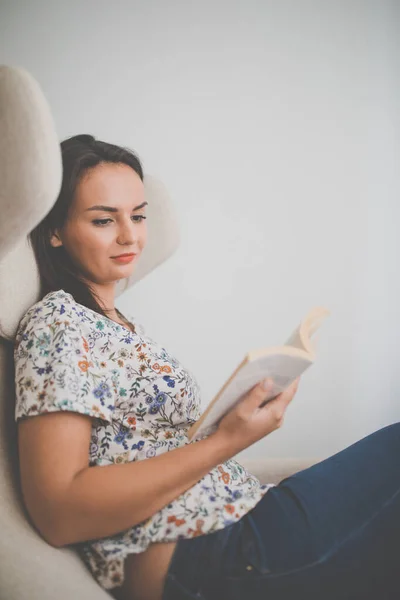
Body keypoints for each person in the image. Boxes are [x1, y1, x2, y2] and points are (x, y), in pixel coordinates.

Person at [14, 135, 399, 600]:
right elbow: (60, 513)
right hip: (216, 555)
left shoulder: (116, 325)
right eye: (103, 220)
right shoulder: (58, 321)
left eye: (138, 216)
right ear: (55, 230)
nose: (130, 236)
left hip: (240, 521)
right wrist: (227, 440)